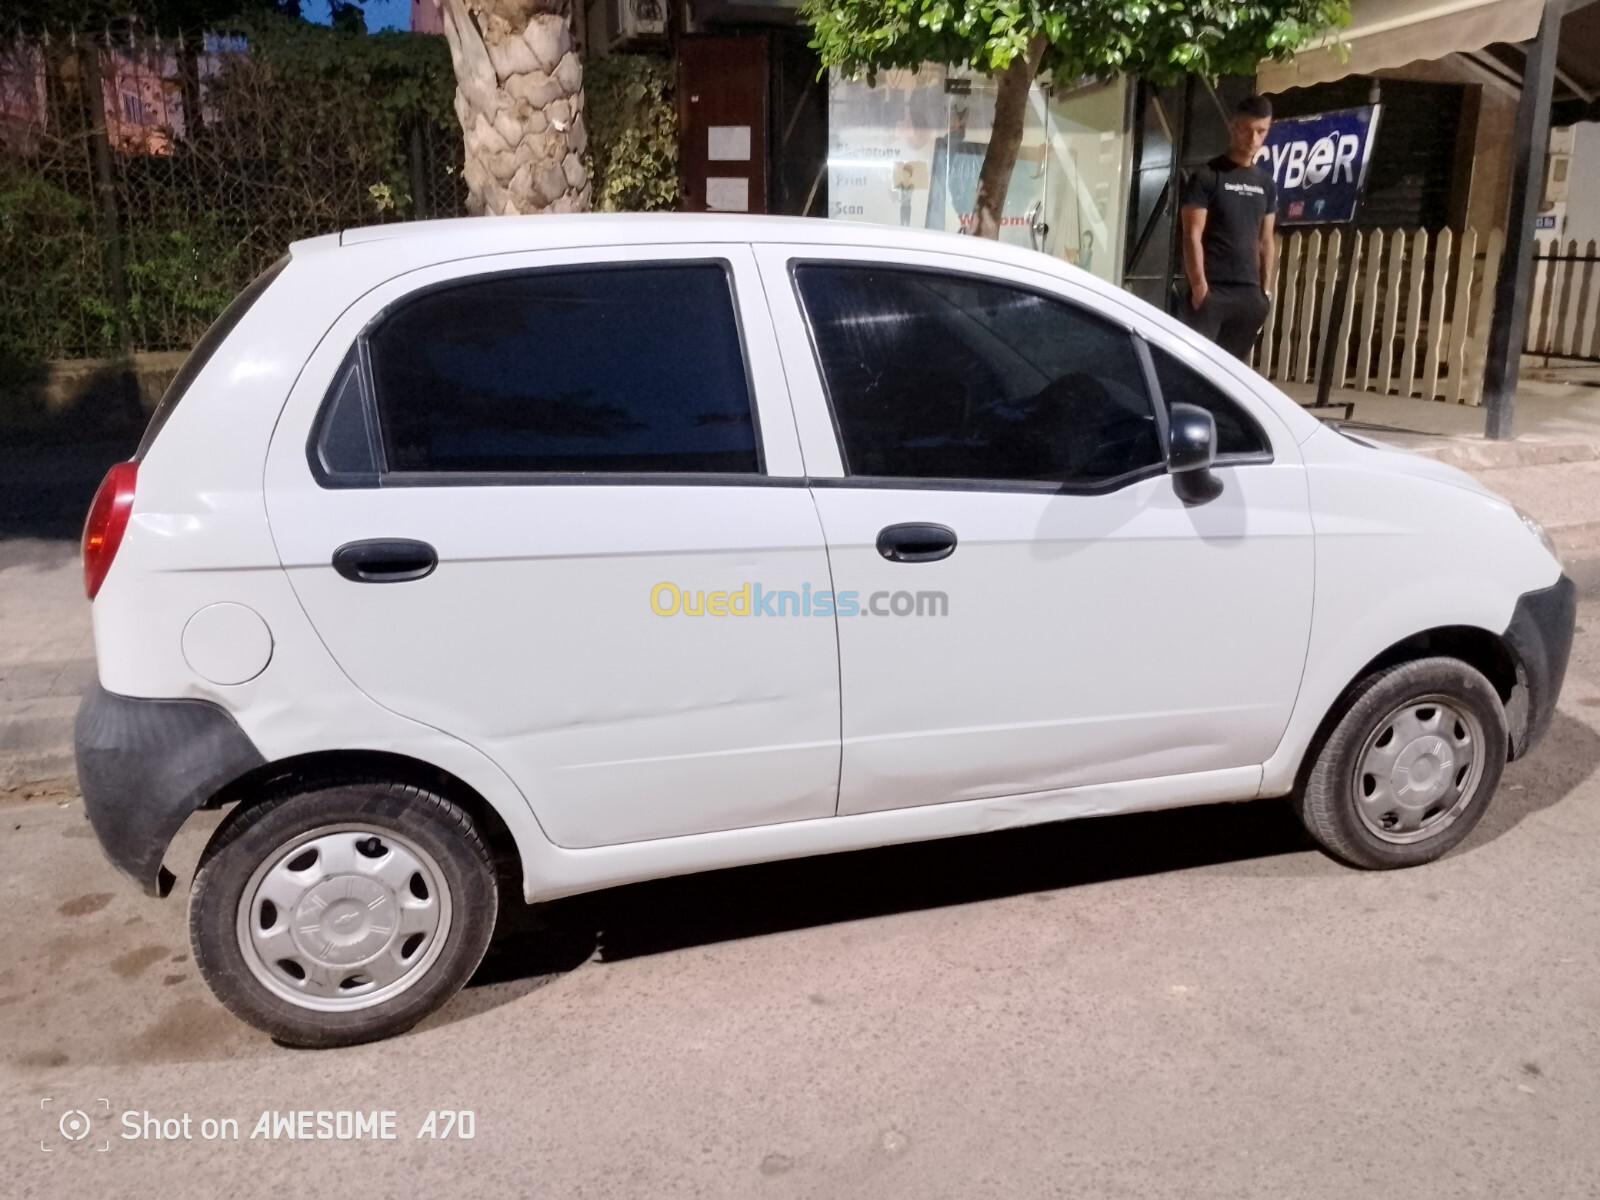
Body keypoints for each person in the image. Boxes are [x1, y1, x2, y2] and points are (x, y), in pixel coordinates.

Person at [1180, 95, 1278, 361]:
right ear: (1233, 126)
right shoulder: (1207, 176)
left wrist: (1265, 292)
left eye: (1261, 131)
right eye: (1247, 129)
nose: (1253, 139)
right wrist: (1200, 287)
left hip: (1250, 294)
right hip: (1214, 291)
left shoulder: (1265, 183)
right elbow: (1192, 234)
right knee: (1196, 368)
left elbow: (1266, 240)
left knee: (1233, 376)